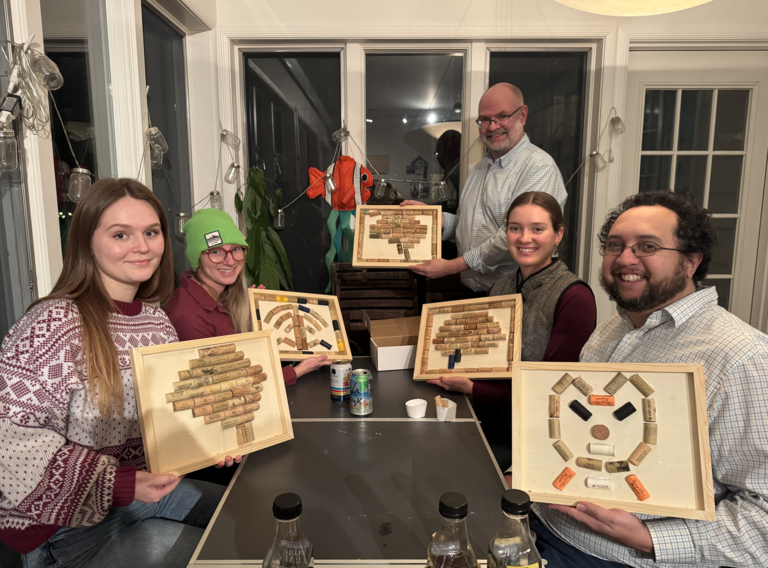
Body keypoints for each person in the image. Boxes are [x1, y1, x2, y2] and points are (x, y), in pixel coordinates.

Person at [532, 190, 768, 568]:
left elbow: (763, 521)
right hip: (544, 519)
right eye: (615, 245)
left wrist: (649, 538)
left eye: (647, 246)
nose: (625, 258)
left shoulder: (741, 357)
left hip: (615, 557)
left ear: (691, 261)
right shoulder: (610, 331)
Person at [0, 178, 227, 567]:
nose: (142, 246)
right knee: (218, 556)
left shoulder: (157, 322)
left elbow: (168, 412)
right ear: (88, 240)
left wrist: (212, 434)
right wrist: (117, 482)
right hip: (64, 527)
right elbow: (9, 437)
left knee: (248, 517)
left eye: (151, 232)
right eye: (121, 234)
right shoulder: (54, 322)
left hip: (144, 493)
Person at [428, 192, 595, 470]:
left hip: (533, 435)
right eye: (515, 228)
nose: (524, 238)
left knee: (450, 468)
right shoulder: (500, 287)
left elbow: (552, 389)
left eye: (537, 229)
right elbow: (483, 356)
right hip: (484, 414)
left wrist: (473, 388)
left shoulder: (575, 297)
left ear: (558, 235)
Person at [403, 83, 568, 294]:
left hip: (517, 296)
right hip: (474, 293)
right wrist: (433, 218)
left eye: (501, 116)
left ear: (523, 115)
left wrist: (452, 266)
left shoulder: (538, 167)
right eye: (485, 120)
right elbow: (467, 226)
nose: (492, 126)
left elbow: (511, 238)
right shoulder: (481, 168)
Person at [163, 208, 332, 398]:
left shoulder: (221, 298)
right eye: (216, 251)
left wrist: (251, 318)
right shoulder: (188, 316)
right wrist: (297, 371)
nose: (230, 261)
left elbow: (236, 360)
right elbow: (227, 387)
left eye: (236, 249)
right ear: (197, 259)